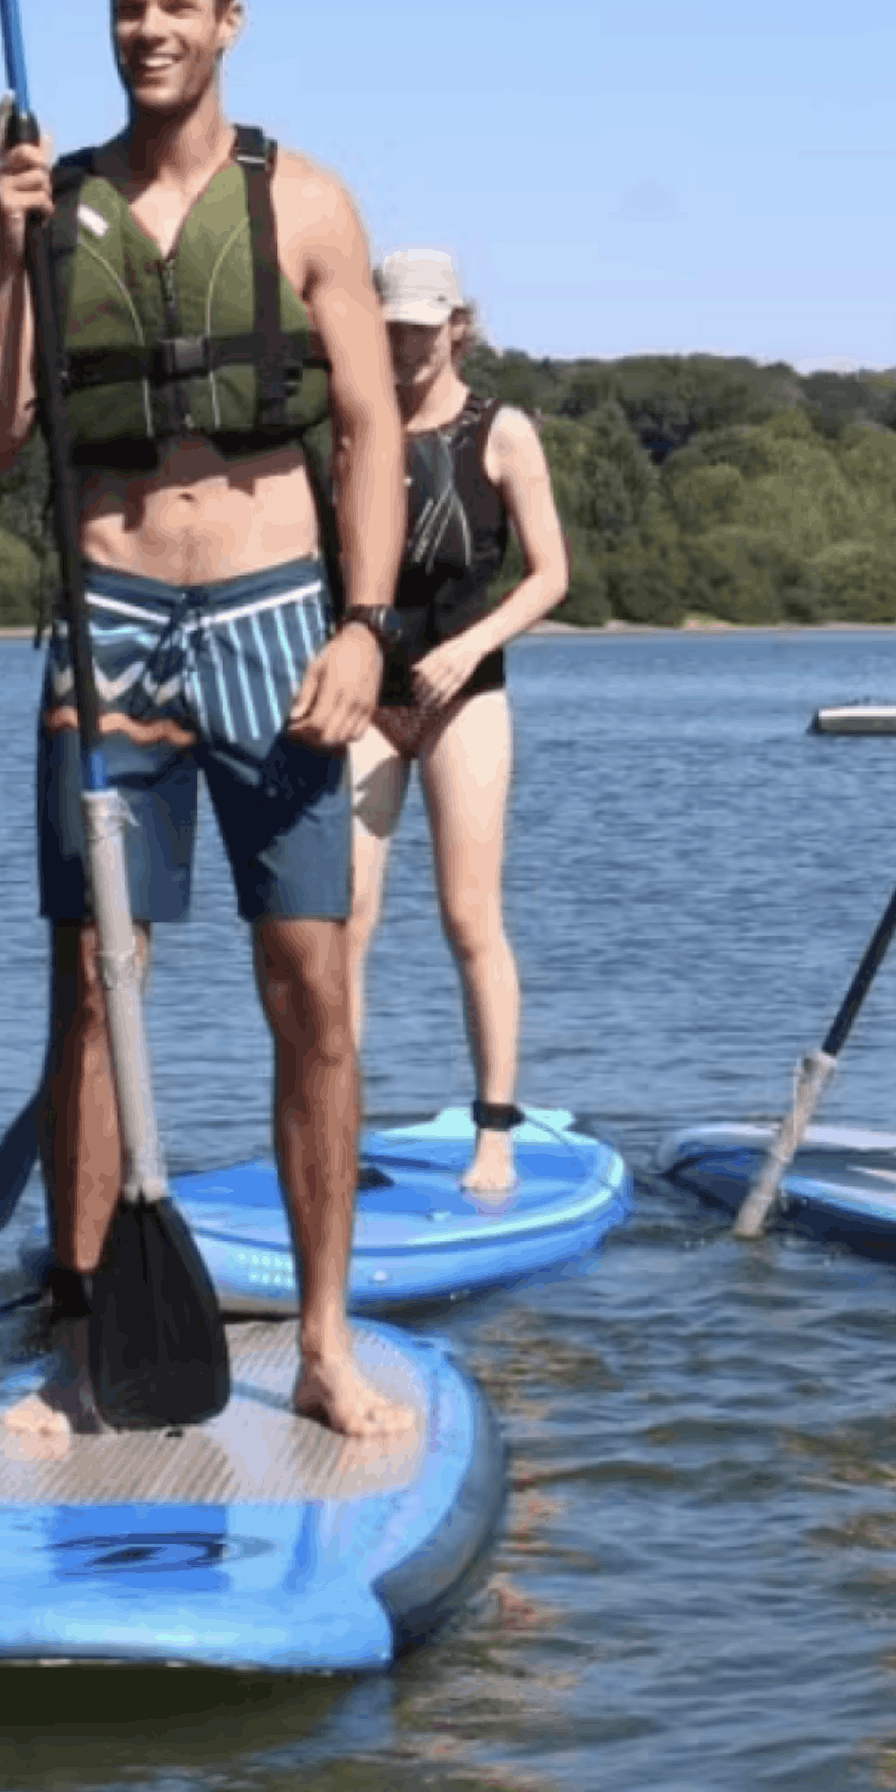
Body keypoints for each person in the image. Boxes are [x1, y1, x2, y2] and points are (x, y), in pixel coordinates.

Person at [0, 0, 411, 1441]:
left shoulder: (310, 206)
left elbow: (373, 431)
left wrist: (367, 625)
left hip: (281, 623)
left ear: (229, 19)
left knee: (312, 991)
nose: (151, 31)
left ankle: (329, 1340)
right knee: (94, 992)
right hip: (109, 625)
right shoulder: (54, 202)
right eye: (129, 11)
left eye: (175, 5)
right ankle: (79, 1346)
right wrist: (6, 251)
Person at [341, 248, 573, 1197]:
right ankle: (335, 1137)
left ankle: (495, 1133)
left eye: (421, 326)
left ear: (457, 327)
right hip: (366, 694)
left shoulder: (502, 431)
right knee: (340, 925)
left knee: (469, 917)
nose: (404, 342)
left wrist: (471, 647)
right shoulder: (352, 425)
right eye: (389, 324)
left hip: (463, 697)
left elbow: (552, 575)